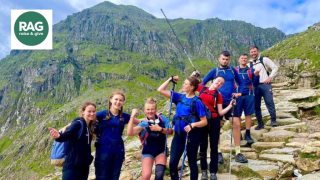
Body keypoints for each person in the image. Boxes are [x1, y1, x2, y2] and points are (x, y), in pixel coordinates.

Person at [59, 90, 140, 180]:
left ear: (123, 102)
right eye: (116, 99)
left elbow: (140, 121)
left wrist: (154, 117)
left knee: (115, 176)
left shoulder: (125, 116)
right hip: (103, 151)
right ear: (110, 100)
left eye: (121, 100)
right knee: (102, 176)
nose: (118, 102)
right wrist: (67, 126)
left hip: (118, 151)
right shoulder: (103, 114)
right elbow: (87, 118)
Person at [158, 75, 207, 180]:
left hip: (192, 135)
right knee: (172, 163)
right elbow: (160, 90)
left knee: (192, 162)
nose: (183, 85)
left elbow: (204, 121)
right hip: (178, 134)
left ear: (192, 87)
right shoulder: (179, 97)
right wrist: (169, 79)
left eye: (185, 84)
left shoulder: (197, 101)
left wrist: (193, 125)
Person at [202, 50, 247, 164]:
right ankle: (218, 152)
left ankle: (238, 152)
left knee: (236, 124)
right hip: (216, 102)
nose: (225, 61)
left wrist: (239, 93)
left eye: (227, 59)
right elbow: (203, 83)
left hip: (230, 101)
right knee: (216, 127)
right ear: (219, 59)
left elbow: (241, 83)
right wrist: (208, 94)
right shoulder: (214, 71)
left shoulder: (232, 70)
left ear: (229, 60)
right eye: (223, 59)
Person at [192, 75, 236, 180]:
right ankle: (203, 171)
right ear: (214, 80)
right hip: (202, 120)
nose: (219, 83)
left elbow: (220, 112)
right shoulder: (201, 88)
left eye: (221, 83)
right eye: (218, 81)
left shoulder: (218, 95)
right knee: (202, 146)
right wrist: (194, 75)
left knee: (214, 147)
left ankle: (213, 172)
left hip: (214, 120)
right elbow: (191, 83)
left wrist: (230, 106)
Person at [127, 98, 173, 180]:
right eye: (148, 109)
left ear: (156, 110)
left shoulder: (162, 118)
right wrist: (132, 117)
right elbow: (130, 133)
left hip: (161, 150)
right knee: (146, 176)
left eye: (152, 109)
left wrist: (160, 129)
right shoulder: (144, 123)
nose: (150, 111)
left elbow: (170, 132)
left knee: (159, 174)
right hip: (148, 151)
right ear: (144, 111)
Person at [49, 102, 96, 180]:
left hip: (84, 166)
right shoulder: (78, 124)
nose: (92, 113)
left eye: (93, 111)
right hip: (72, 166)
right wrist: (58, 136)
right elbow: (66, 136)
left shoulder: (89, 126)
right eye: (89, 111)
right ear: (83, 112)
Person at [249, 46, 278, 130]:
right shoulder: (249, 64)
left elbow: (275, 67)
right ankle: (260, 123)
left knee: (269, 102)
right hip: (255, 86)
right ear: (250, 53)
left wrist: (270, 77)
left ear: (258, 51)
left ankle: (273, 120)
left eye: (255, 51)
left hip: (265, 84)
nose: (253, 53)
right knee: (256, 105)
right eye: (251, 52)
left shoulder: (264, 59)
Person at [236, 54, 260, 143]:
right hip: (238, 96)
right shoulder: (235, 71)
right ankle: (238, 134)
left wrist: (256, 76)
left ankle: (247, 134)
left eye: (245, 58)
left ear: (247, 60)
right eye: (242, 58)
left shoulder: (252, 71)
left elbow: (256, 84)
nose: (244, 59)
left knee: (248, 115)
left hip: (249, 95)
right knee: (237, 115)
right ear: (239, 60)